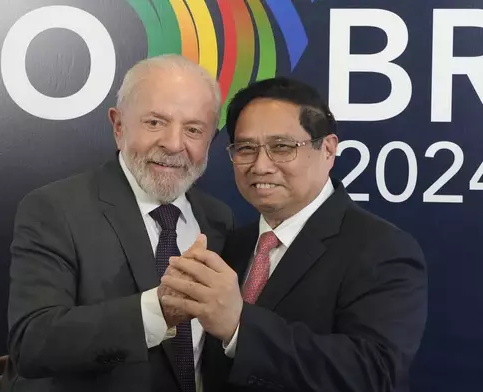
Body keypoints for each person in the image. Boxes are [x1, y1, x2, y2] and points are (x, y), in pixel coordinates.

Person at [159, 77, 428, 392]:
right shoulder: (232, 244)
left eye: (281, 147)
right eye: (246, 149)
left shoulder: (383, 249)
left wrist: (239, 326)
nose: (261, 165)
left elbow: (375, 374)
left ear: (327, 149)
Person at [0, 54, 234, 392]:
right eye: (155, 122)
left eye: (193, 129)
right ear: (118, 125)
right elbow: (33, 342)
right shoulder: (55, 209)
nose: (173, 143)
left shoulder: (219, 219)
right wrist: (158, 310)